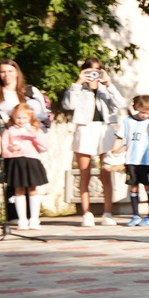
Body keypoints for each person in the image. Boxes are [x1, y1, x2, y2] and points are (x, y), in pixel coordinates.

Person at [63, 61, 121, 225]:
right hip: (85, 129)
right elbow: (68, 105)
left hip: (104, 129)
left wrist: (108, 84)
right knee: (85, 174)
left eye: (97, 70)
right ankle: (87, 213)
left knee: (106, 173)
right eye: (90, 70)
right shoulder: (79, 89)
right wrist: (78, 82)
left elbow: (120, 104)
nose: (94, 73)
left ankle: (107, 213)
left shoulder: (105, 88)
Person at [0, 100, 48, 230]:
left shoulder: (34, 130)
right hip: (16, 162)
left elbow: (45, 146)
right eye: (18, 118)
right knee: (19, 189)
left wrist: (34, 135)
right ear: (13, 117)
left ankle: (34, 219)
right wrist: (12, 149)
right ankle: (22, 219)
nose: (21, 121)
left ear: (30, 117)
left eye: (25, 118)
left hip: (31, 161)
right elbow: (4, 150)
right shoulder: (9, 131)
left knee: (33, 188)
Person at [120, 95, 149, 225]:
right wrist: (115, 151)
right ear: (137, 108)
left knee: (148, 186)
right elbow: (121, 139)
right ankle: (135, 215)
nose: (145, 115)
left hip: (147, 162)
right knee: (133, 187)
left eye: (148, 113)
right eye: (143, 112)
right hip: (131, 161)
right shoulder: (128, 121)